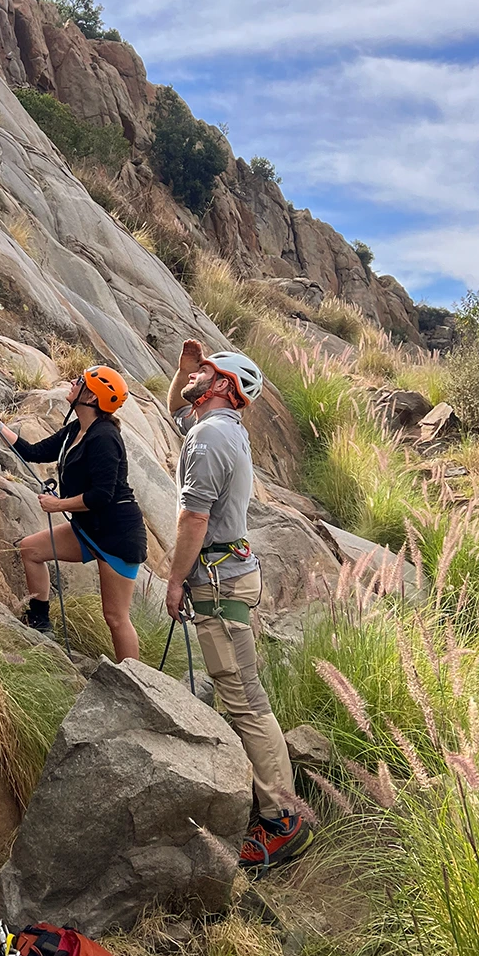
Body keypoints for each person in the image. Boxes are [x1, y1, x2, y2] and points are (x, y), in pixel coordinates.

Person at [166, 339, 314, 873]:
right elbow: (177, 410)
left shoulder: (208, 439)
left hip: (216, 579)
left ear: (224, 385)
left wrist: (174, 579)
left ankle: (280, 818)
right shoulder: (222, 429)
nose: (194, 377)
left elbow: (193, 521)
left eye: (204, 371)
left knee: (244, 697)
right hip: (233, 572)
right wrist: (185, 370)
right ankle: (273, 801)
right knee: (241, 692)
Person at [0, 367, 148, 661]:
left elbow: (102, 496)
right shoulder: (76, 430)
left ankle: (136, 681)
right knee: (31, 549)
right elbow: (33, 452)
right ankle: (40, 623)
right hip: (90, 528)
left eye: (80, 382)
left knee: (115, 617)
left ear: (92, 396)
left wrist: (59, 505)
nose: (73, 382)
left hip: (118, 536)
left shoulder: (105, 437)